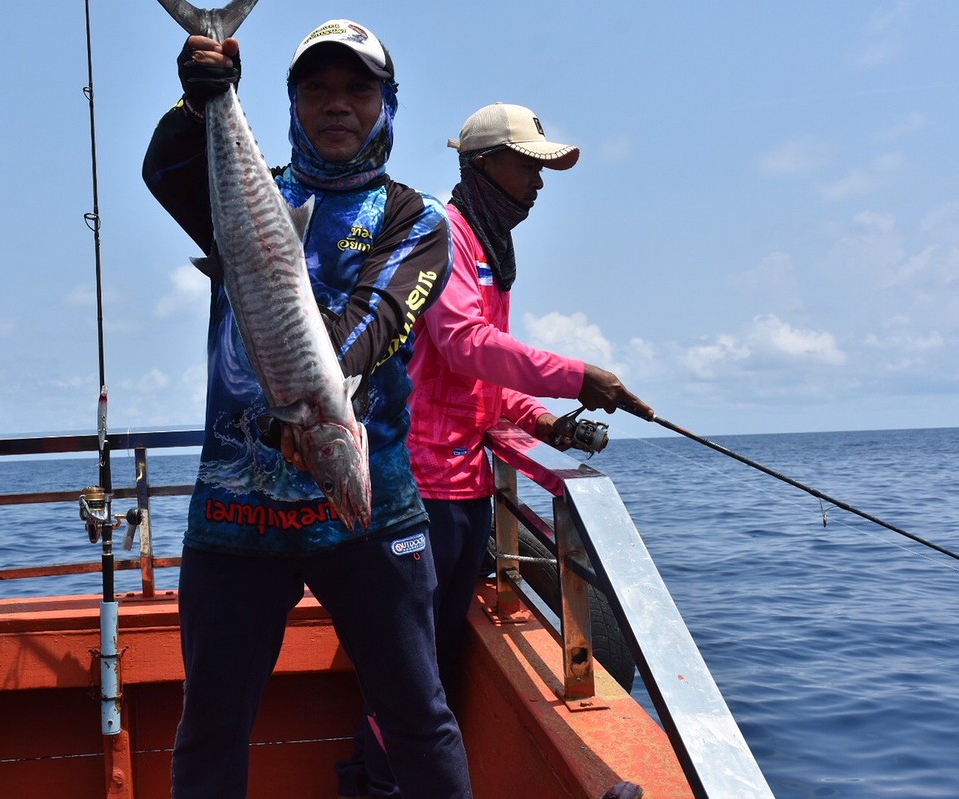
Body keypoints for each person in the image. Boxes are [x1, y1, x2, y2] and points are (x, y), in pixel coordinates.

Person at [142, 18, 473, 799]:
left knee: (418, 717)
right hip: (235, 514)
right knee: (212, 723)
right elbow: (166, 168)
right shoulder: (248, 189)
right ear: (290, 101)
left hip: (370, 516)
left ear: (388, 104)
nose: (337, 105)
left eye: (358, 89)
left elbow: (374, 328)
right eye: (316, 89)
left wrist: (313, 401)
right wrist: (203, 100)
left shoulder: (414, 219)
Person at [338, 102, 653, 799]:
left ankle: (381, 782)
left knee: (434, 664)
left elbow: (476, 378)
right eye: (528, 165)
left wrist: (544, 421)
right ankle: (378, 787)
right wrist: (580, 375)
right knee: (409, 674)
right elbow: (465, 344)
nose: (539, 183)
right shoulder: (443, 239)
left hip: (465, 493)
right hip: (416, 494)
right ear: (482, 167)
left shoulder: (489, 252)